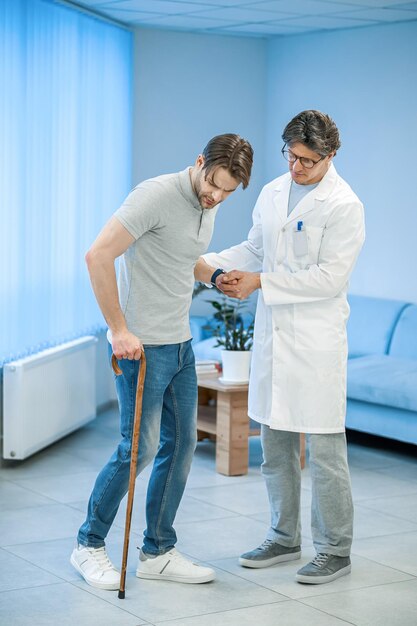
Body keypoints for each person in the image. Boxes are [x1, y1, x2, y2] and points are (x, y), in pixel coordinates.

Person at [71, 134, 254, 590]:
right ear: (198, 162)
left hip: (180, 345)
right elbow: (98, 256)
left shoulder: (208, 201)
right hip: (141, 348)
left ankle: (157, 551)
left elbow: (183, 255)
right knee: (138, 451)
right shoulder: (154, 195)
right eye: (213, 184)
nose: (216, 197)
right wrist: (118, 331)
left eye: (228, 192)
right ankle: (88, 544)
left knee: (183, 445)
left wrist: (211, 274)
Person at [195, 110, 365, 585]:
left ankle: (335, 549)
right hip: (274, 338)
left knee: (327, 453)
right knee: (274, 445)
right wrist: (206, 263)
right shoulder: (272, 192)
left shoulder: (344, 205)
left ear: (330, 156)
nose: (297, 168)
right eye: (291, 156)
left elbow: (331, 279)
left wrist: (261, 283)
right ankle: (283, 536)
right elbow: (255, 248)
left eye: (308, 161)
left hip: (316, 342)